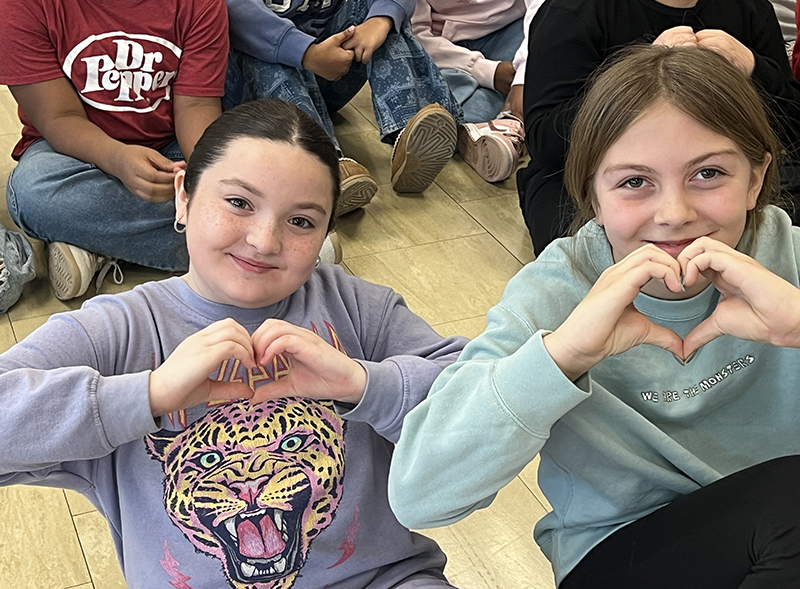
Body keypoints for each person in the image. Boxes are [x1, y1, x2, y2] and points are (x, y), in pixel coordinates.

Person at [0, 99, 467, 588]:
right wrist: (147, 396)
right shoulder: (120, 333)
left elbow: (481, 398)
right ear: (183, 197)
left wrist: (364, 384)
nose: (265, 241)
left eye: (302, 221)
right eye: (239, 203)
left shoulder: (359, 308)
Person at [389, 45, 800, 588]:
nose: (674, 213)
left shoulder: (785, 255)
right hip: (620, 551)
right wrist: (562, 357)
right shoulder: (556, 290)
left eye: (708, 174)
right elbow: (419, 495)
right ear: (593, 197)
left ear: (754, 180)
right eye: (634, 182)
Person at [517, 0, 800, 256]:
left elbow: (791, 128)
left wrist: (752, 67)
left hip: (721, 174)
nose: (674, 215)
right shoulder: (572, 12)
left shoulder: (749, 7)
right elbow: (545, 139)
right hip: (588, 180)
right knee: (585, 256)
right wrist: (643, 78)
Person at [0, 0, 228, 301]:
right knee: (30, 191)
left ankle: (97, 241)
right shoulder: (20, 7)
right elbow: (59, 118)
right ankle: (230, 245)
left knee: (230, 173)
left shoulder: (202, 5)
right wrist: (117, 158)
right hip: (70, 154)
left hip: (169, 149)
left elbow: (197, 105)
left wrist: (207, 178)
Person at [224, 0, 463, 215]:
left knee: (385, 17)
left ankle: (410, 132)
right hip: (256, 90)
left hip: (327, 70)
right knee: (259, 45)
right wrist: (307, 54)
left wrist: (380, 20)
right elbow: (235, 11)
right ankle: (324, 164)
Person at [412, 0, 543, 183]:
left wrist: (521, 78)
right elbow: (413, 36)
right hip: (442, 48)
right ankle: (506, 127)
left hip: (512, 29)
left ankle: (506, 125)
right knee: (424, 88)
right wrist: (488, 71)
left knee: (550, 45)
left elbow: (544, 12)